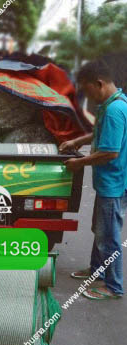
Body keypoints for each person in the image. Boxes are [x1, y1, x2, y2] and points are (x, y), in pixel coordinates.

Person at [59, 60, 127, 300]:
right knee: (99, 229)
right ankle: (97, 271)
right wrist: (77, 142)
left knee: (108, 235)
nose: (87, 97)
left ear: (99, 84)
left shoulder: (114, 110)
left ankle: (114, 286)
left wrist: (79, 162)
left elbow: (110, 151)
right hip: (107, 182)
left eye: (87, 90)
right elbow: (100, 133)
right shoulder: (111, 104)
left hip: (113, 184)